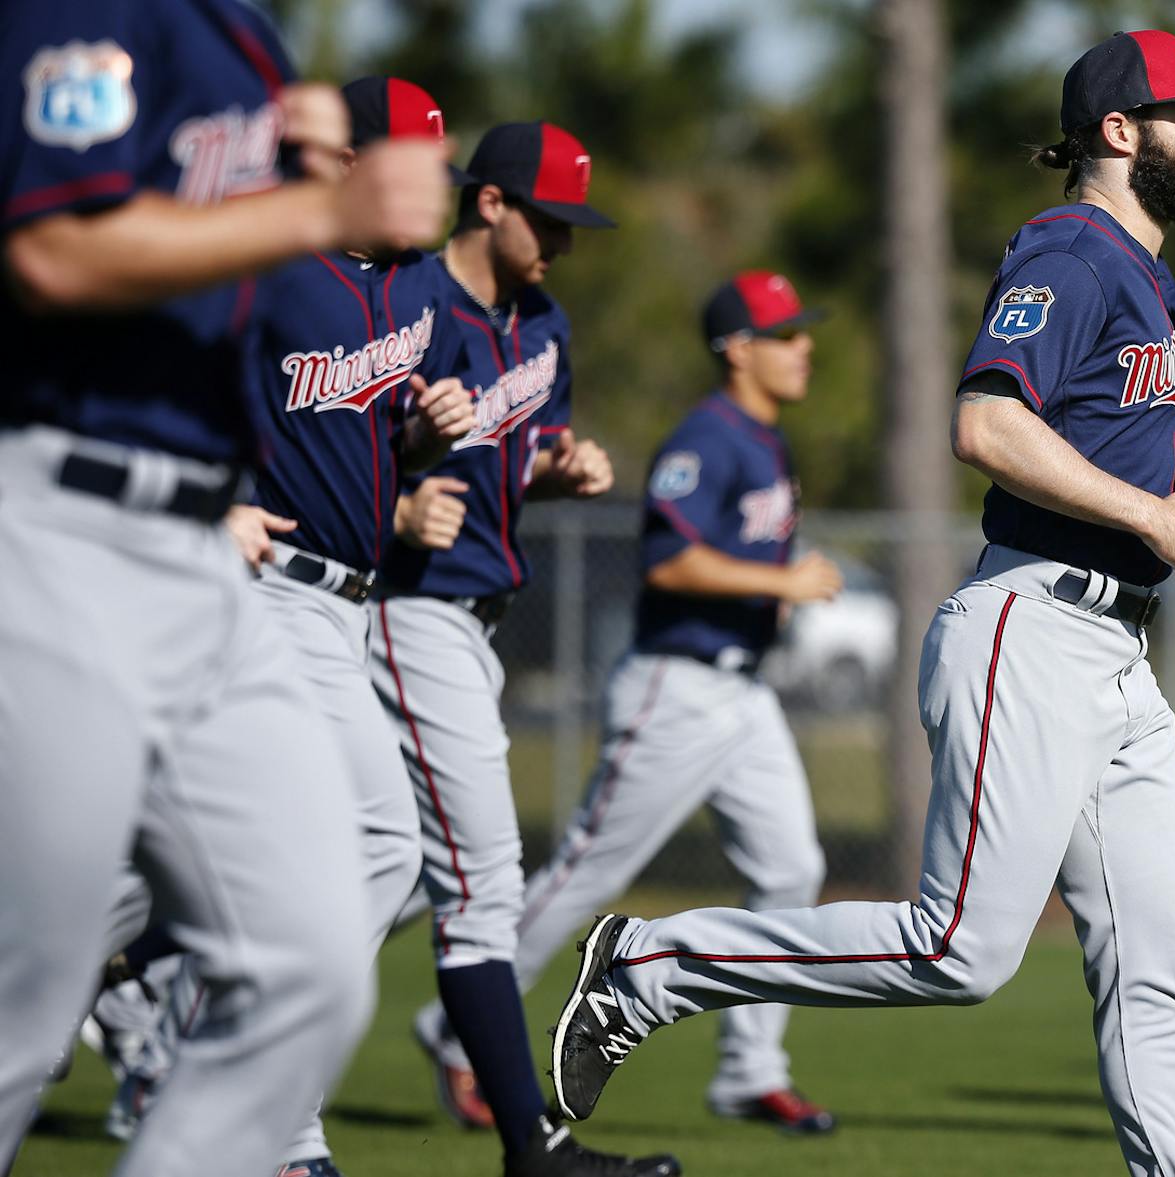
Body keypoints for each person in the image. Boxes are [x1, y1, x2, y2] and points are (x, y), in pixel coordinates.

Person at [545, 30, 1175, 1177]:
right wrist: (1151, 513)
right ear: (1120, 132)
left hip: (1118, 655)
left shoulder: (1146, 267)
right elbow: (985, 424)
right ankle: (651, 968)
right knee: (963, 951)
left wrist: (1144, 530)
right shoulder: (1073, 250)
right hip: (1031, 626)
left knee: (1153, 985)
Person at [0, 4, 448, 1172]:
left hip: (198, 550)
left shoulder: (242, 32)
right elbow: (54, 247)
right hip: (65, 517)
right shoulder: (90, 10)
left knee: (304, 964)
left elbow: (233, 324)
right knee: (23, 1001)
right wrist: (316, 207)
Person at [414, 272, 841, 1135]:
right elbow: (667, 561)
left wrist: (775, 595)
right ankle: (457, 1028)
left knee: (792, 867)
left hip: (742, 690)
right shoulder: (708, 437)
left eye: (803, 330)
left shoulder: (767, 439)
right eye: (786, 333)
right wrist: (781, 578)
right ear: (738, 349)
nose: (804, 347)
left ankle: (749, 1068)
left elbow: (738, 556)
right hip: (673, 687)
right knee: (589, 871)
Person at [368, 123, 674, 1177]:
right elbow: (337, 443)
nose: (564, 241)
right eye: (549, 217)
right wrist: (403, 484)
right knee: (481, 880)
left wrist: (559, 468)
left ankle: (154, 969)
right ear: (488, 202)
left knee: (375, 870)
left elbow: (520, 450)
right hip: (410, 607)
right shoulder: (412, 304)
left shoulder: (539, 318)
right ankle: (530, 1150)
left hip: (480, 614)